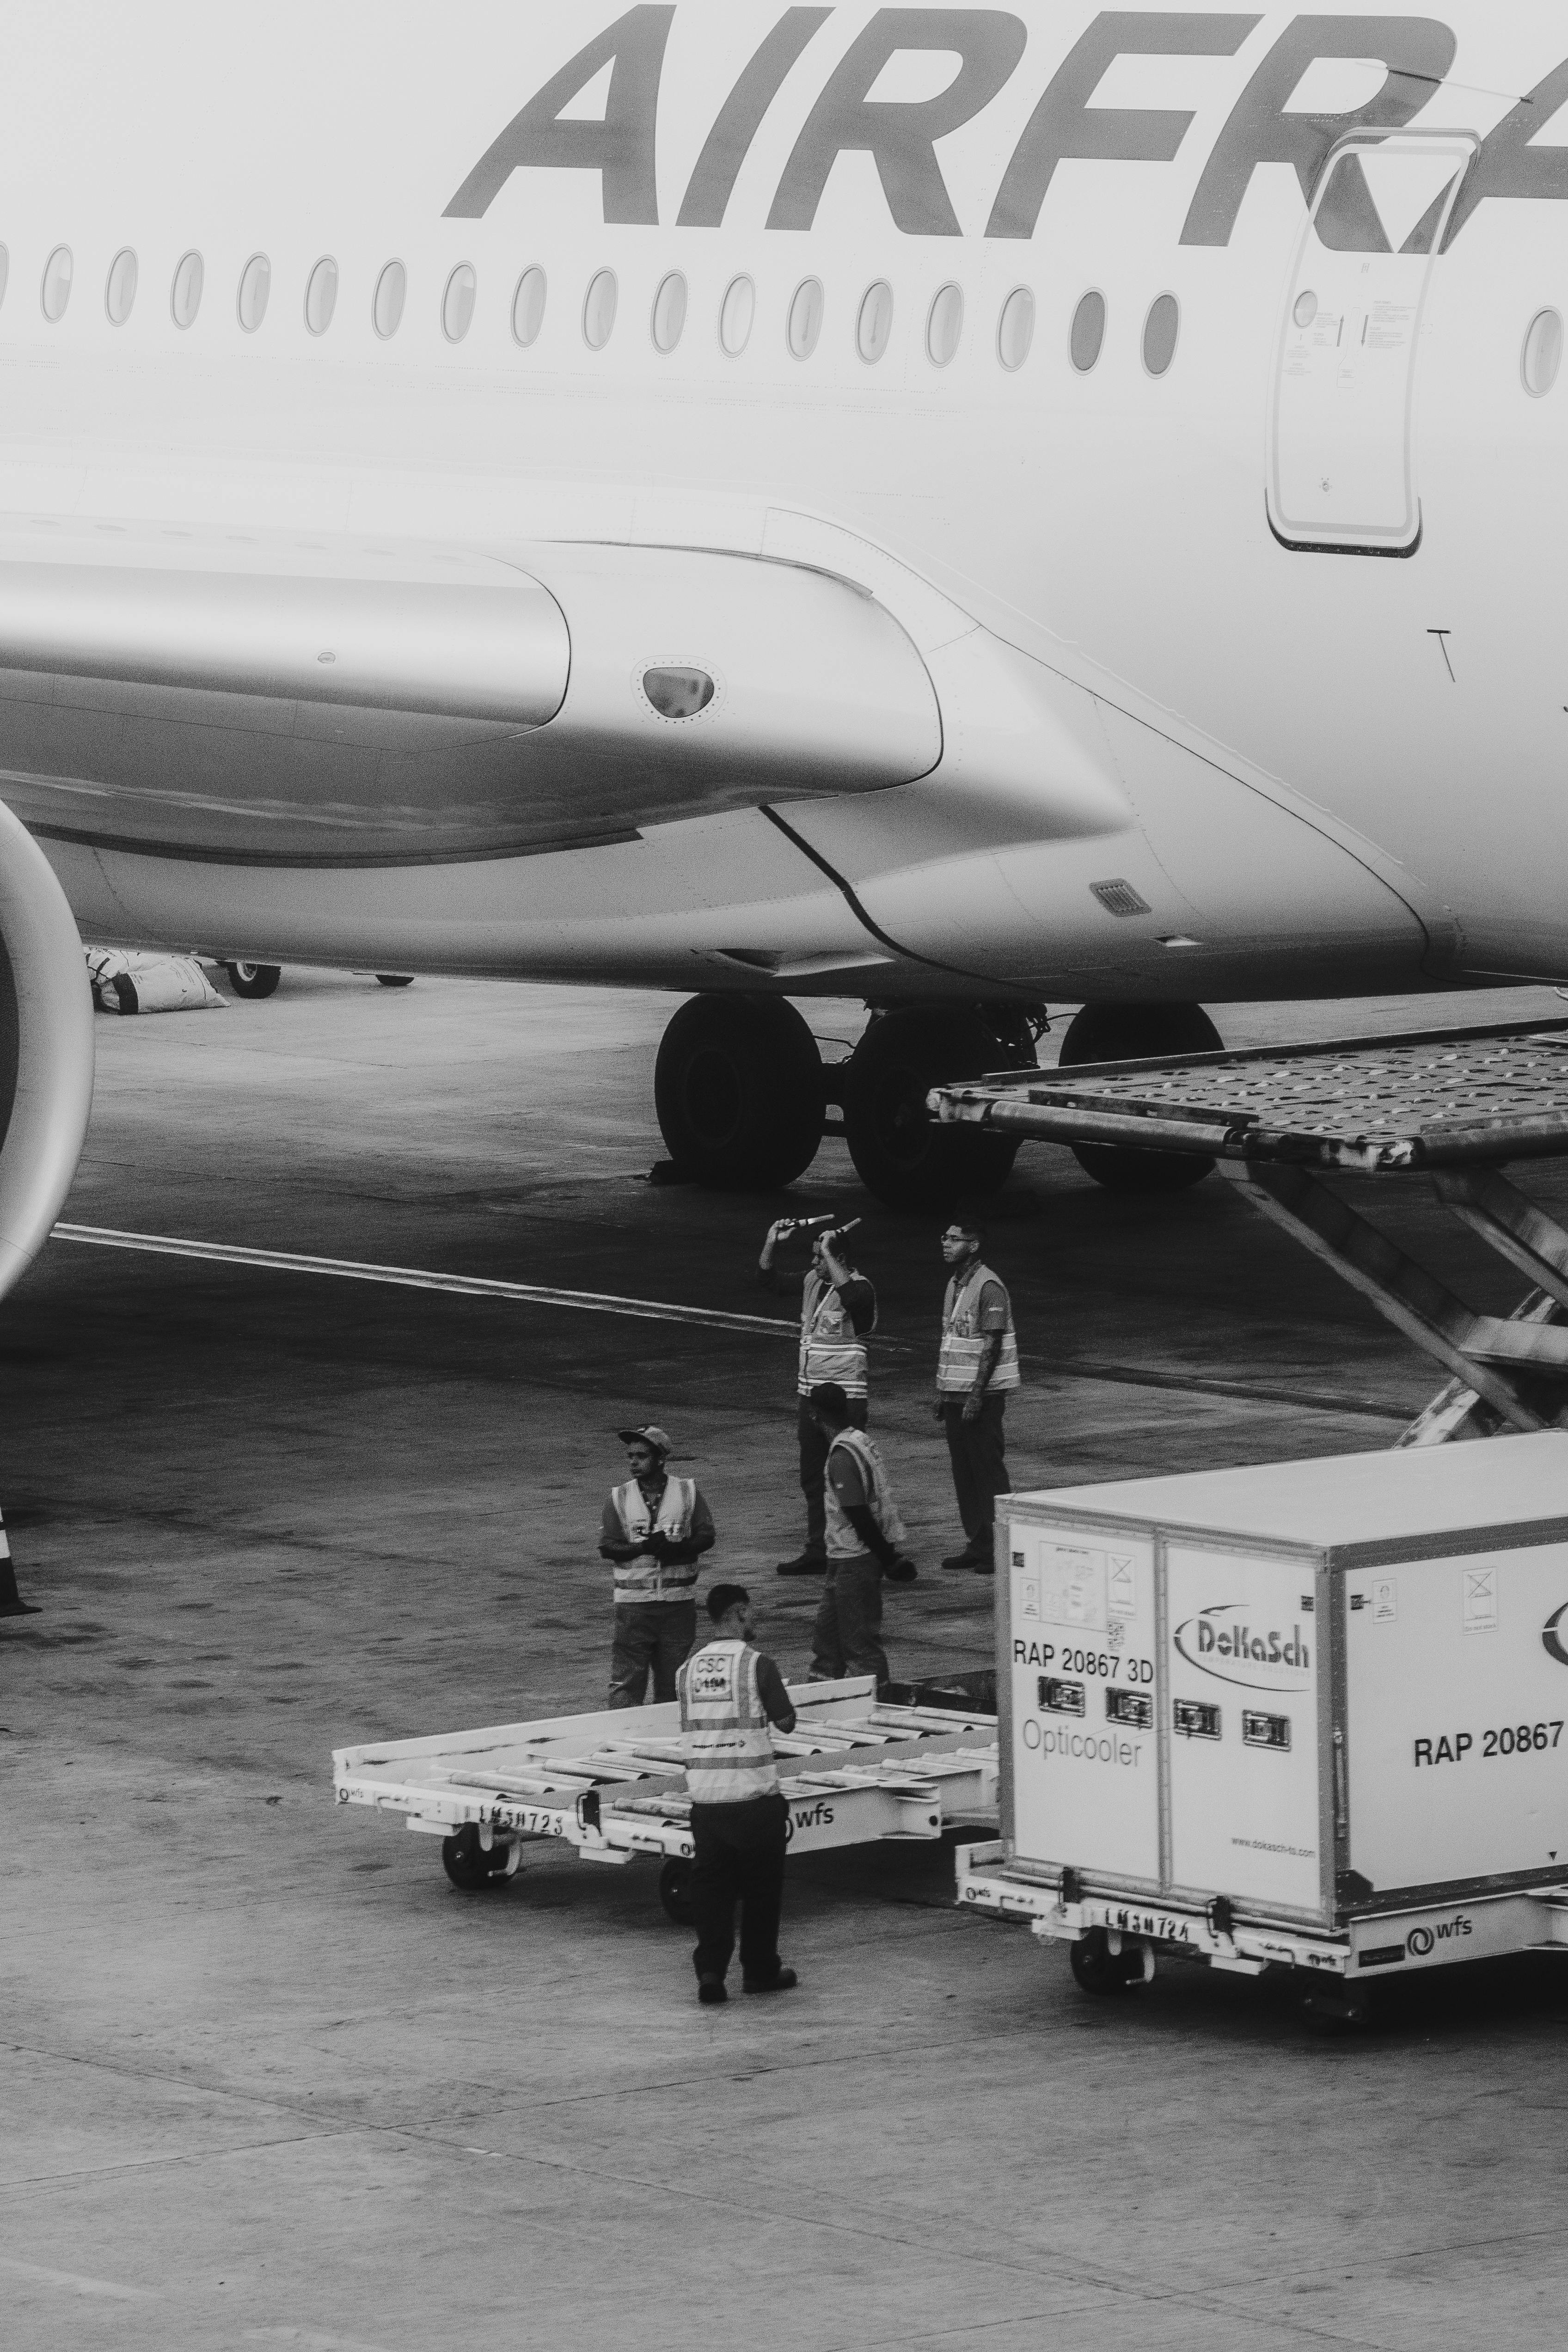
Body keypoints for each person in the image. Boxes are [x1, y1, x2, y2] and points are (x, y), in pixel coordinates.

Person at [677, 1583, 800, 2005]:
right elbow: (786, 1722)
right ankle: (760, 1971)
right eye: (754, 1613)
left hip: (707, 1802)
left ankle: (711, 1972)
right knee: (761, 1890)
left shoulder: (686, 1671)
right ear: (741, 1612)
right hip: (753, 1799)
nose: (756, 1620)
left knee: (712, 1890)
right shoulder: (757, 1665)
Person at [759, 1216, 877, 1576]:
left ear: (838, 1259)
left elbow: (855, 1301)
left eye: (820, 1257)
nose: (813, 1264)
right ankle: (818, 1549)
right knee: (813, 1477)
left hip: (846, 1400)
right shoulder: (814, 1281)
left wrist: (831, 1253)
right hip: (810, 1397)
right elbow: (770, 1282)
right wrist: (771, 1242)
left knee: (850, 1474)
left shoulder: (861, 1288)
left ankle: (859, 1547)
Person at [807, 1381, 916, 1689]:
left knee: (858, 1644)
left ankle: (877, 1702)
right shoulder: (861, 1440)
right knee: (826, 1640)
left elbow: (860, 1516)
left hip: (856, 1560)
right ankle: (821, 1698)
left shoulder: (841, 1457)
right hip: (843, 1559)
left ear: (815, 1416)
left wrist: (888, 1559)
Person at [599, 1425, 715, 1708]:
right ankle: (624, 1731)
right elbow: (607, 1547)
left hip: (678, 1605)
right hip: (634, 1606)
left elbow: (707, 1535)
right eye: (630, 1456)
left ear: (660, 1459)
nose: (633, 1463)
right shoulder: (619, 1497)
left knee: (673, 1684)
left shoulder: (687, 1491)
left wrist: (680, 1548)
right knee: (627, 1679)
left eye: (641, 1456)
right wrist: (643, 1548)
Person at [934, 1219, 1019, 1573]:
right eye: (945, 1237)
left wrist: (975, 1396)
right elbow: (953, 1343)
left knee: (989, 1473)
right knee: (965, 1473)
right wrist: (944, 1392)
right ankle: (979, 1543)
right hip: (955, 1396)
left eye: (955, 1239)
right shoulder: (956, 1284)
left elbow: (992, 1345)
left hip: (980, 1399)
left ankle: (1000, 1548)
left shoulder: (989, 1287)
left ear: (974, 1245)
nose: (946, 1243)